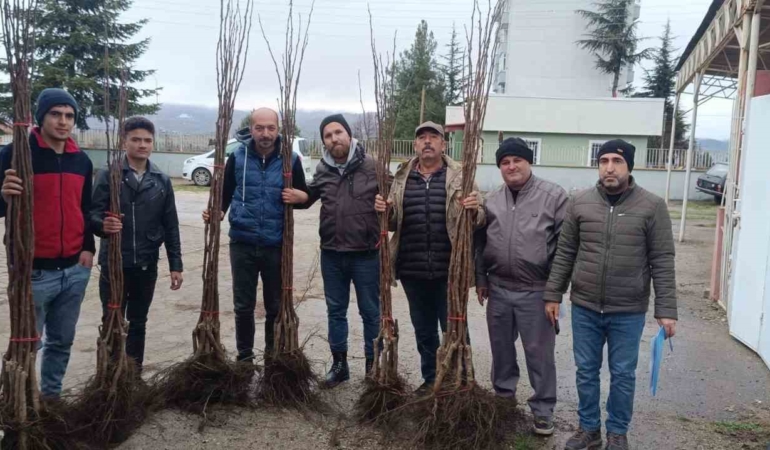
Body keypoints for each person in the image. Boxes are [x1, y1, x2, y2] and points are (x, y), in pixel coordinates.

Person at [544, 139, 677, 450]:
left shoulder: (652, 205)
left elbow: (662, 259)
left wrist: (666, 309)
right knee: (586, 371)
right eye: (603, 160)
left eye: (617, 160)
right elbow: (565, 252)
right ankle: (588, 429)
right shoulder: (580, 202)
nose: (609, 167)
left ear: (629, 166)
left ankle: (618, 431)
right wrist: (553, 294)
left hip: (627, 310)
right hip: (585, 306)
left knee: (622, 373)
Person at [373, 121, 484, 393]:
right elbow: (393, 223)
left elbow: (481, 217)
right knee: (423, 330)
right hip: (412, 269)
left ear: (443, 144)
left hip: (450, 269)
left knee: (455, 328)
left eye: (433, 137)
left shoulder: (461, 176)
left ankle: (459, 380)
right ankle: (431, 379)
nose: (427, 142)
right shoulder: (401, 177)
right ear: (415, 145)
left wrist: (474, 209)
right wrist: (383, 211)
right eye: (421, 137)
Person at [0, 88, 95, 398]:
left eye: (69, 116)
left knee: (61, 341)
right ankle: (22, 401)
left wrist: (88, 248)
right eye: (56, 114)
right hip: (34, 270)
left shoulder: (81, 160)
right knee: (28, 341)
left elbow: (84, 207)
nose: (63, 121)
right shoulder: (16, 154)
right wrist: (3, 195)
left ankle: (51, 400)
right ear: (41, 117)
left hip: (74, 269)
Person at [475, 137, 567, 436]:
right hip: (499, 288)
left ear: (529, 161)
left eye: (517, 160)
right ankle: (503, 401)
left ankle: (543, 411)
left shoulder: (553, 197)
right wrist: (481, 279)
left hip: (537, 290)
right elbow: (481, 242)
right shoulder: (492, 199)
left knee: (539, 353)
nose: (511, 166)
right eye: (504, 162)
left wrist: (554, 293)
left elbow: (566, 248)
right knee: (501, 351)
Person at [202, 108, 309, 364]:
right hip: (242, 242)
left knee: (274, 306)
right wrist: (216, 212)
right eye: (259, 128)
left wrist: (300, 196)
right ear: (251, 130)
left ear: (278, 130)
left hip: (276, 244)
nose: (265, 133)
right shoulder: (238, 157)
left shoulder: (290, 160)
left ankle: (273, 358)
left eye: (271, 128)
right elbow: (225, 196)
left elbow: (305, 196)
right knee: (243, 306)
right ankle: (245, 359)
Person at [284, 114, 381, 388]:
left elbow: (394, 202)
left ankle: (374, 366)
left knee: (371, 312)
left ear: (349, 135)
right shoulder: (323, 169)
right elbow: (311, 196)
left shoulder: (373, 166)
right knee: (335, 311)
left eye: (338, 132)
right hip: (332, 253)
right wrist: (299, 198)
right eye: (328, 135)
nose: (334, 138)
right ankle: (340, 366)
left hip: (366, 254)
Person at [90, 117, 183, 374]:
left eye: (147, 140)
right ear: (125, 141)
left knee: (138, 322)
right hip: (114, 263)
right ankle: (110, 375)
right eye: (136, 139)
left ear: (153, 143)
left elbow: (171, 225)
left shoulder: (161, 181)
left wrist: (176, 264)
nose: (142, 145)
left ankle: (133, 375)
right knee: (112, 319)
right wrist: (102, 225)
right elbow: (92, 214)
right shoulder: (110, 175)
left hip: (145, 263)